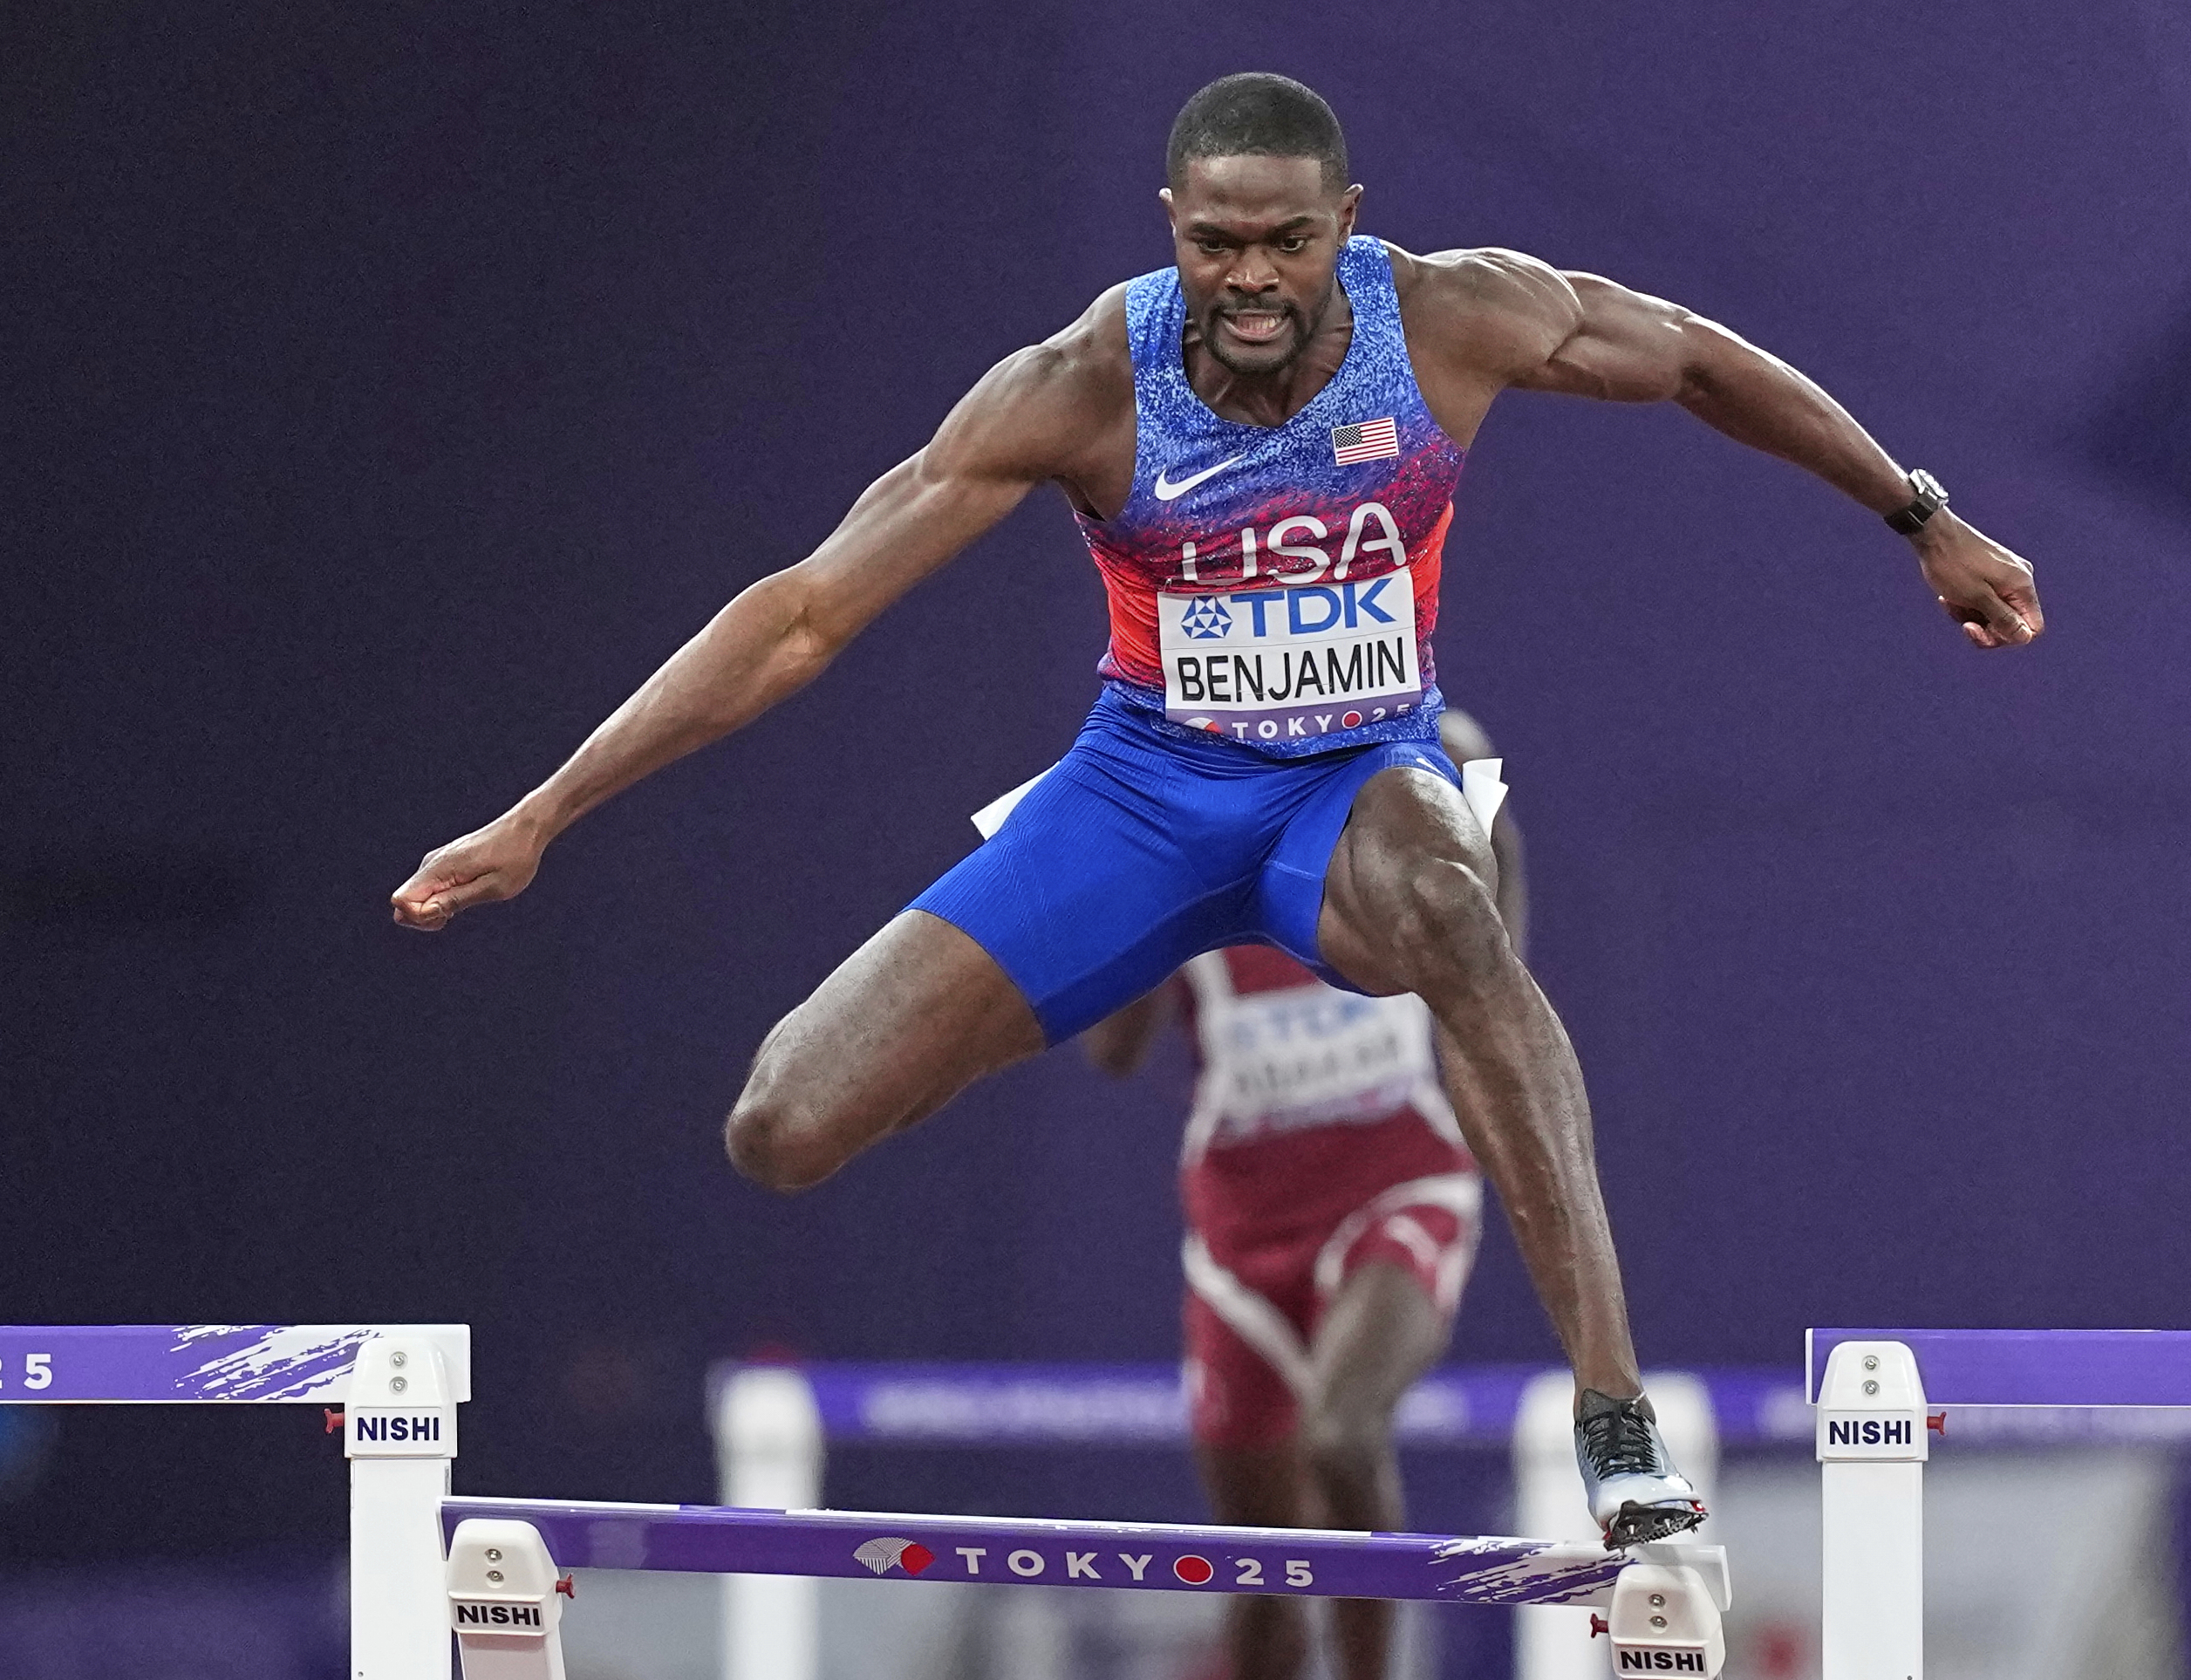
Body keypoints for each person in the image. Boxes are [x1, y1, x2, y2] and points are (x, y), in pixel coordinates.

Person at [390, 72, 2042, 1543]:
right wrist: (544, 812)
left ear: (1347, 227)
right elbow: (804, 613)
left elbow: (1692, 362)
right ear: (1169, 226)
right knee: (780, 1126)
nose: (1251, 280)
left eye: (1287, 244)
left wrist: (1916, 514)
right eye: (1218, 246)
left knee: (1457, 910)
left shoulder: (1452, 317)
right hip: (1142, 791)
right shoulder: (1077, 383)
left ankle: (1612, 1412)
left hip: (1348, 787)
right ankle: (1056, 974)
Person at [1082, 706, 1519, 1680]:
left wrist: (1491, 1027)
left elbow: (1486, 792)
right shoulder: (1175, 813)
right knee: (1261, 1577)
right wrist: (1122, 887)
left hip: (1398, 1186)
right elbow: (1111, 1050)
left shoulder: (1416, 759)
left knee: (1341, 1435)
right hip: (1241, 1241)